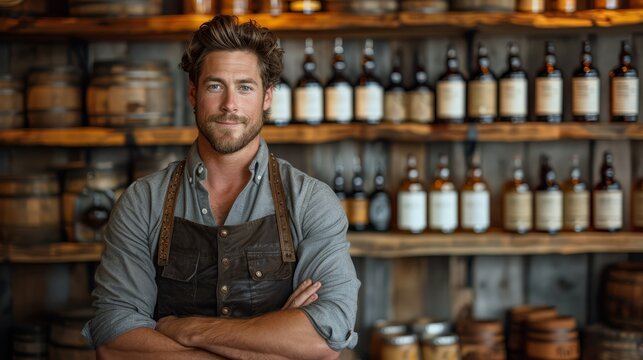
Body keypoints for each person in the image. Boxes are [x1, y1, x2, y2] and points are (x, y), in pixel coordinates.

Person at [82, 15, 360, 360]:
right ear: (194, 93)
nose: (230, 104)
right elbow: (114, 337)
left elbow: (323, 338)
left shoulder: (310, 201)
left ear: (267, 97)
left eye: (245, 87)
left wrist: (187, 329)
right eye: (215, 86)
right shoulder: (143, 201)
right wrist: (272, 339)